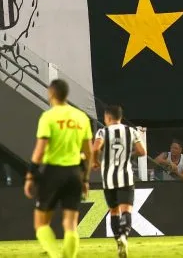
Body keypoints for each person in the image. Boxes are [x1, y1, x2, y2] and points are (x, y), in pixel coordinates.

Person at [24, 79, 93, 258]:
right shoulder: (81, 117)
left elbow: (39, 151)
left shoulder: (48, 117)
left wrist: (30, 176)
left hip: (53, 172)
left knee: (41, 224)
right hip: (74, 173)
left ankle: (56, 256)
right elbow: (89, 152)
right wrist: (85, 179)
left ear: (51, 94)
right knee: (70, 224)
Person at [92, 104, 145, 258]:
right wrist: (129, 154)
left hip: (108, 179)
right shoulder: (131, 131)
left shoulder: (102, 131)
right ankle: (124, 236)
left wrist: (95, 161)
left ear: (108, 117)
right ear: (120, 117)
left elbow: (95, 148)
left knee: (114, 212)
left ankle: (118, 241)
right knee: (126, 210)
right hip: (126, 177)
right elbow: (142, 152)